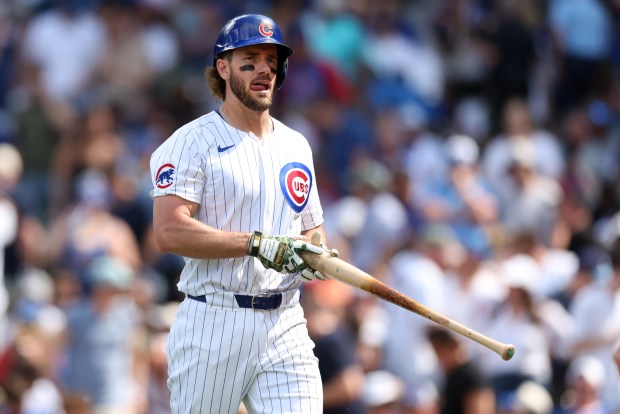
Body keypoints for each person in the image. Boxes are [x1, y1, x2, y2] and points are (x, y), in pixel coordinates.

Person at [150, 14, 335, 414]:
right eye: (251, 59)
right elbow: (167, 231)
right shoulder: (190, 142)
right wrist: (255, 244)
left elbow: (311, 232)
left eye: (273, 60)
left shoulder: (296, 144)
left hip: (285, 320)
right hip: (215, 319)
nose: (265, 69)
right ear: (223, 67)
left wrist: (316, 257)